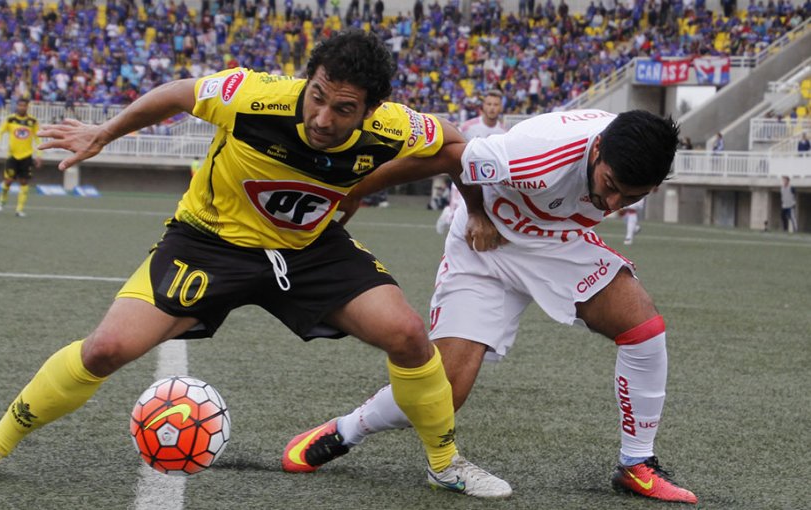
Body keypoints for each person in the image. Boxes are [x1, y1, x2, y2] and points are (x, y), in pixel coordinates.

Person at [0, 31, 511, 499]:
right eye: (318, 96)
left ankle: (445, 462)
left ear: (372, 110)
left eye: (344, 108)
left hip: (307, 248)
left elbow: (461, 149)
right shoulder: (255, 95)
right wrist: (105, 131)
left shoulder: (397, 126)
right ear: (307, 82)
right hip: (210, 240)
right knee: (106, 349)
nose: (323, 117)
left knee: (409, 335)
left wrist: (472, 210)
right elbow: (180, 93)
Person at [285, 110, 699, 504]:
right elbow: (450, 156)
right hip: (485, 247)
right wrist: (354, 193)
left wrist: (614, 196)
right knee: (441, 396)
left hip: (556, 244)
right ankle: (346, 431)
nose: (612, 204)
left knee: (643, 329)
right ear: (596, 151)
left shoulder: (634, 154)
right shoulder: (538, 154)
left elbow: (613, 192)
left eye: (630, 197)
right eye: (610, 186)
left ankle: (636, 463)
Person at [437, 90, 508, 233]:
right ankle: (447, 215)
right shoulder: (468, 126)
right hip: (463, 177)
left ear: (501, 108)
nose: (492, 107)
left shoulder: (504, 132)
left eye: (496, 104)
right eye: (489, 104)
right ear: (483, 107)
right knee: (456, 218)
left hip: (487, 180)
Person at [0, 98, 42, 217]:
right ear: (17, 106)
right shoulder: (10, 119)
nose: (21, 108)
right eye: (20, 105)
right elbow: (0, 132)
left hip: (26, 156)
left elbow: (38, 138)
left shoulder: (32, 121)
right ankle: (2, 199)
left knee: (24, 182)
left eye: (24, 106)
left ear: (27, 107)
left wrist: (39, 155)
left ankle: (19, 209)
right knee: (8, 181)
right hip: (12, 156)